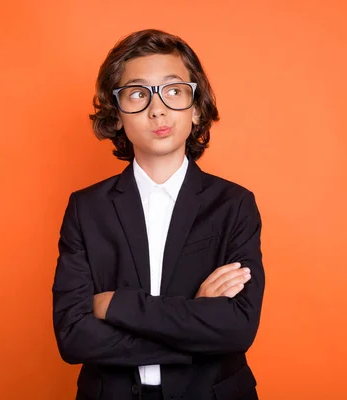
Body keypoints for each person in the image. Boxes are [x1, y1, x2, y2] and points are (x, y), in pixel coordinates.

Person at [52, 29, 265, 400]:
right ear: (116, 115)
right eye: (137, 94)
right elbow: (73, 336)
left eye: (173, 90)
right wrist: (196, 322)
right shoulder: (86, 208)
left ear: (196, 107)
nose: (157, 109)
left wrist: (115, 305)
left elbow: (236, 329)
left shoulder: (234, 205)